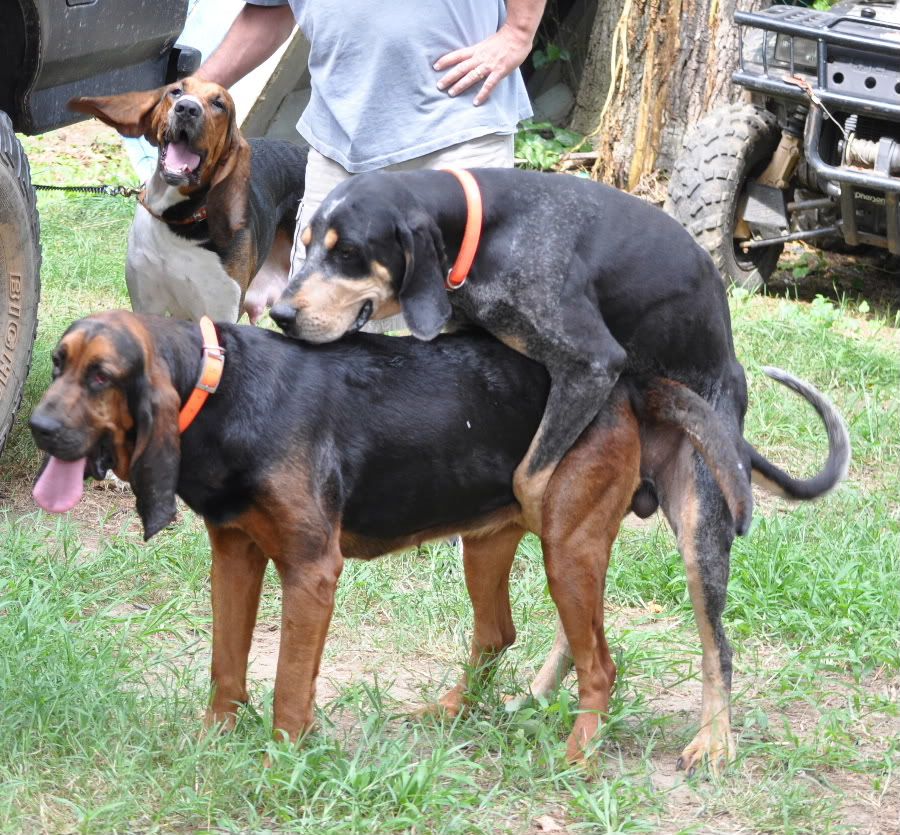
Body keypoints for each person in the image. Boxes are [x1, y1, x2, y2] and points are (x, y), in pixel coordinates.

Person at [198, 0, 545, 328]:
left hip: (459, 123)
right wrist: (189, 95)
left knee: (471, 325)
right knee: (313, 323)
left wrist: (519, 32)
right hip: (339, 138)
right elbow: (268, 15)